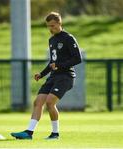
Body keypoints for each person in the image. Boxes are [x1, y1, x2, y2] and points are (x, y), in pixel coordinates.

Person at [11, 12, 82, 140]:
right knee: (37, 102)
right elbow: (52, 62)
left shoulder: (68, 38)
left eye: (53, 26)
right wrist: (42, 74)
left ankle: (55, 134)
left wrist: (60, 66)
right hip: (54, 76)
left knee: (49, 102)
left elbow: (77, 58)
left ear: (60, 23)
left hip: (66, 77)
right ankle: (29, 132)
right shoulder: (52, 40)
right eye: (48, 26)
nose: (51, 29)